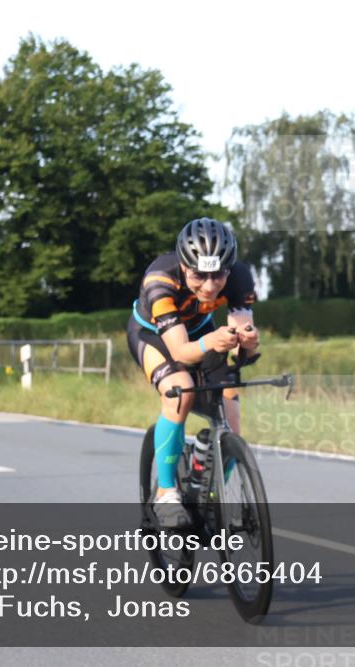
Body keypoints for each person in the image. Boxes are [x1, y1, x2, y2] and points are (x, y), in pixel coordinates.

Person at [126, 218, 260, 528]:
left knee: (229, 406)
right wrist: (214, 341)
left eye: (218, 276)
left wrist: (248, 343)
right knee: (180, 390)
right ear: (184, 266)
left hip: (200, 332)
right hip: (154, 337)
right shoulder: (160, 281)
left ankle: (208, 490)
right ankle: (166, 493)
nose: (210, 286)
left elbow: (243, 343)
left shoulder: (240, 277)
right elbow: (181, 352)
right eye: (199, 276)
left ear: (230, 268)